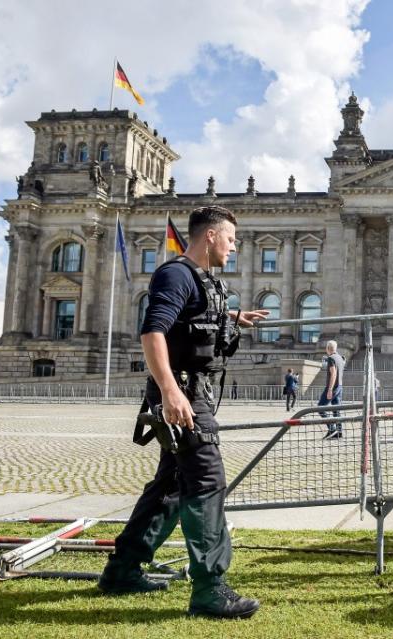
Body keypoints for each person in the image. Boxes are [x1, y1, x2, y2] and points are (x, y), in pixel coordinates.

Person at [98, 206, 266, 619]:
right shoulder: (176, 273)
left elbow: (192, 317)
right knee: (207, 481)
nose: (233, 246)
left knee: (171, 485)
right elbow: (153, 330)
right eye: (230, 238)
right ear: (210, 236)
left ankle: (122, 570)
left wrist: (233, 318)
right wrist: (172, 392)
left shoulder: (201, 279)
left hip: (193, 391)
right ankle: (210, 589)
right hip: (184, 393)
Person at [319, 341, 346, 439]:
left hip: (333, 387)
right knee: (336, 410)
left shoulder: (331, 359)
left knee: (320, 407)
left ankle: (332, 428)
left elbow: (333, 374)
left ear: (328, 348)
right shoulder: (340, 357)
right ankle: (339, 432)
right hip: (340, 386)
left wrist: (330, 389)